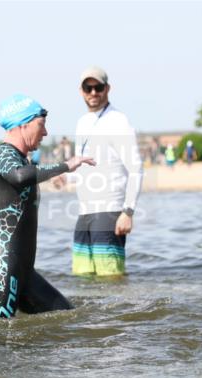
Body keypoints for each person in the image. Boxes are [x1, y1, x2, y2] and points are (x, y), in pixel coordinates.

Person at [0, 94, 94, 319]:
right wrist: (66, 165)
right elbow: (19, 177)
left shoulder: (20, 159)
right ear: (23, 125)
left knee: (68, 319)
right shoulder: (2, 153)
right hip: (1, 269)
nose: (46, 133)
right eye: (42, 125)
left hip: (23, 271)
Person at [52, 66, 143, 277]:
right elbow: (83, 167)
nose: (93, 93)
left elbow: (136, 168)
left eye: (98, 87)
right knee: (82, 278)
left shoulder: (118, 121)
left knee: (111, 279)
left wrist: (128, 212)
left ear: (107, 88)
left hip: (110, 212)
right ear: (81, 91)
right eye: (88, 88)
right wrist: (66, 177)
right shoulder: (82, 122)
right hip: (84, 212)